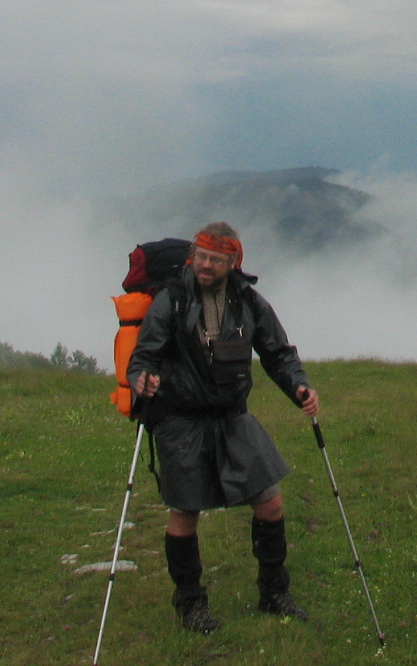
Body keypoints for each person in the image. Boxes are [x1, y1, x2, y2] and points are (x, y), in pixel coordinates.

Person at [128, 221, 321, 633]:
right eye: (201, 256)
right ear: (192, 257)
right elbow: (144, 355)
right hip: (181, 419)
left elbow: (278, 353)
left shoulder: (248, 301)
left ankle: (274, 592)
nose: (206, 265)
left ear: (233, 262)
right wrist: (142, 379)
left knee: (270, 504)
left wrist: (299, 386)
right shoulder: (171, 299)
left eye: (215, 259)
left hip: (233, 416)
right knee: (185, 511)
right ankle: (190, 604)